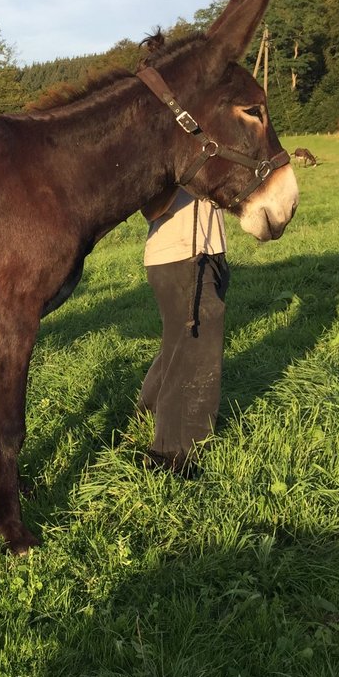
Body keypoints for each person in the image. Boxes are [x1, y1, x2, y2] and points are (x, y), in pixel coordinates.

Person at [137, 188, 230, 476]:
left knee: (181, 341)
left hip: (211, 252)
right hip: (177, 255)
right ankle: (172, 453)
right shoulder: (164, 148)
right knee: (199, 341)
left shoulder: (203, 143)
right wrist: (188, 176)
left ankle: (150, 405)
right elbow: (149, 206)